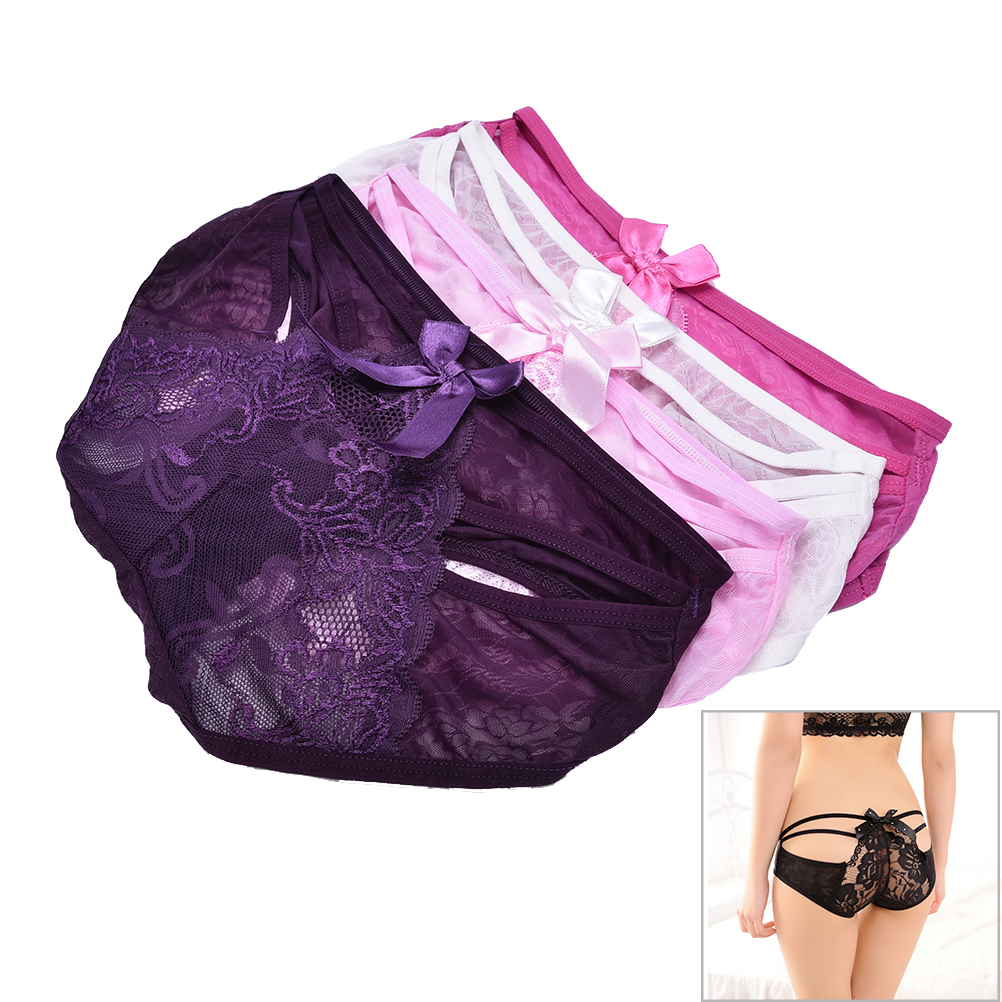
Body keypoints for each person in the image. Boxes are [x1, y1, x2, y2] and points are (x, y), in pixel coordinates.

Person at [737, 712, 955, 1000]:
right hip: (908, 839)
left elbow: (782, 748)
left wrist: (756, 876)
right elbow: (940, 758)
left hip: (823, 831)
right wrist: (940, 862)